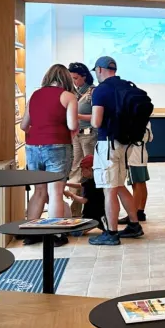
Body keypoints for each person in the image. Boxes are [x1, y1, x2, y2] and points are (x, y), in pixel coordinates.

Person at [88, 56, 144, 246]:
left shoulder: (101, 90)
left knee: (109, 189)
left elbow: (96, 122)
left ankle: (111, 233)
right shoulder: (127, 86)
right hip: (126, 143)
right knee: (119, 184)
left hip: (107, 144)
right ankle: (134, 225)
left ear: (100, 69)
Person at [21, 64, 78, 246]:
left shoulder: (35, 95)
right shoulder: (68, 96)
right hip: (58, 145)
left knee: (38, 191)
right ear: (66, 79)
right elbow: (72, 125)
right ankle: (55, 234)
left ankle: (32, 233)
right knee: (56, 193)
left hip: (32, 147)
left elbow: (23, 125)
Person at [67, 62, 97, 217]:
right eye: (72, 78)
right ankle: (75, 211)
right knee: (76, 169)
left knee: (88, 170)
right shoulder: (74, 92)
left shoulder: (93, 92)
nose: (74, 81)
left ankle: (92, 208)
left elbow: (98, 116)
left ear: (84, 76)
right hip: (76, 134)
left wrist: (77, 115)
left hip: (89, 135)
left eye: (76, 78)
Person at [119, 122, 153, 224]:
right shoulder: (146, 121)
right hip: (141, 155)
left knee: (136, 184)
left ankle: (132, 215)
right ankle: (140, 212)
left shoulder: (135, 120)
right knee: (141, 183)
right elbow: (150, 138)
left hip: (134, 156)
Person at [64, 155, 106, 232]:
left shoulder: (90, 184)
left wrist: (71, 194)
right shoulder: (97, 180)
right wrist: (66, 184)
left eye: (82, 170)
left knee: (73, 231)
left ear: (89, 169)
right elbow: (81, 185)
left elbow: (84, 200)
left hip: (91, 217)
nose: (81, 172)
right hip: (102, 215)